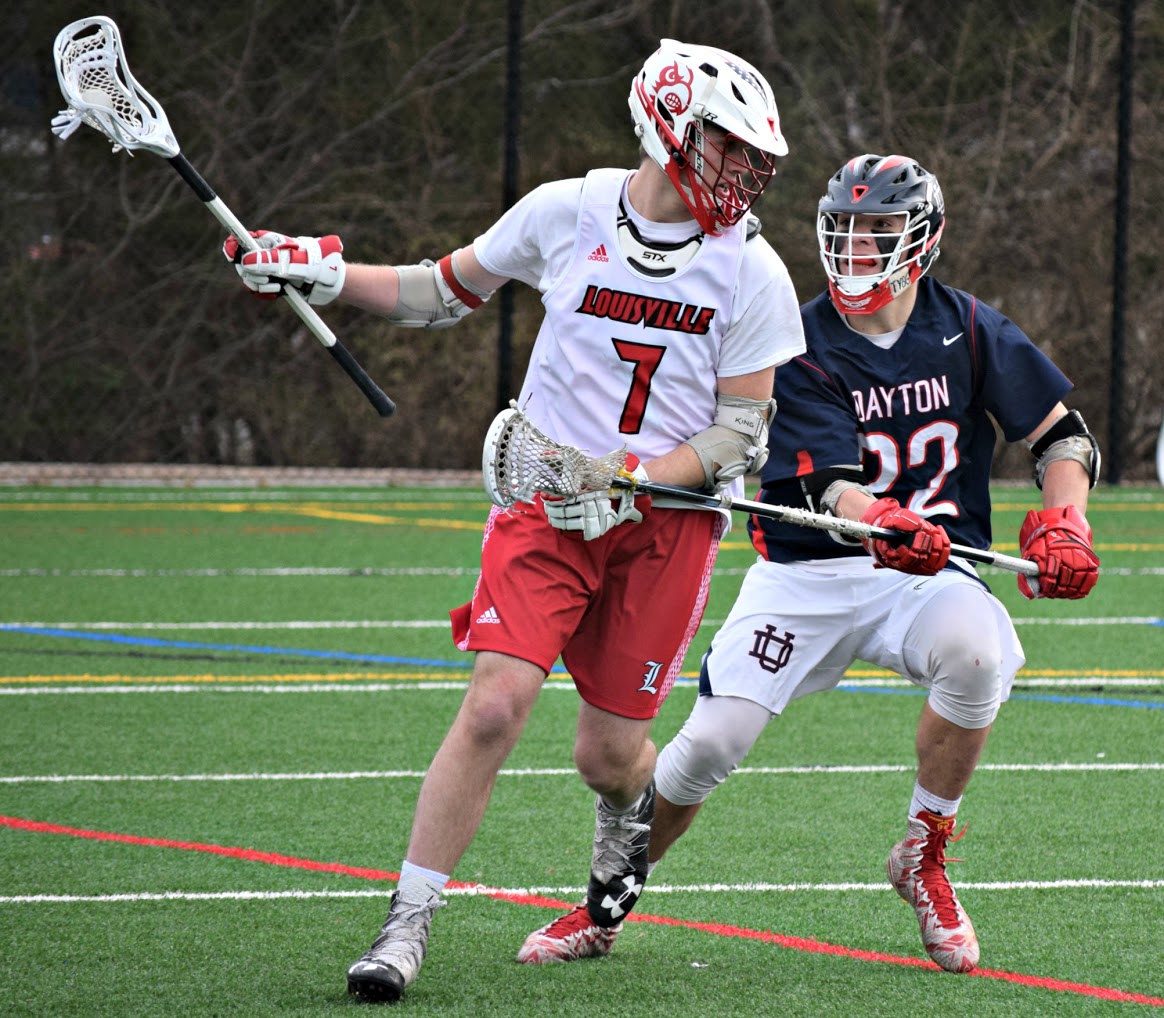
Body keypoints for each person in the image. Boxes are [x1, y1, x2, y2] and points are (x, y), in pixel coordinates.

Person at [223, 40, 805, 1001]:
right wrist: (320, 274)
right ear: (668, 126)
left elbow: (740, 431)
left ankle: (625, 819)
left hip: (662, 524)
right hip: (544, 504)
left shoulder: (752, 272)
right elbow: (438, 291)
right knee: (494, 705)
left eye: (753, 156)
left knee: (608, 756)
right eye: (725, 146)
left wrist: (634, 478)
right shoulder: (567, 212)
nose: (742, 172)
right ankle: (405, 926)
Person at [645, 153, 1100, 974]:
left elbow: (1062, 435)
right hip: (808, 574)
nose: (858, 252)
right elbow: (825, 487)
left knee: (979, 655)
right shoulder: (797, 336)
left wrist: (1067, 522)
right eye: (846, 233)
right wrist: (881, 518)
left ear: (924, 240)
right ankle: (612, 888)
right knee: (711, 745)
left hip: (924, 574)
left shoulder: (966, 324)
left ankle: (923, 853)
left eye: (879, 233)